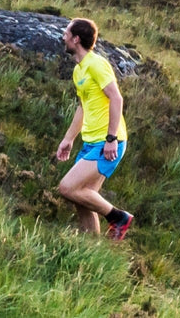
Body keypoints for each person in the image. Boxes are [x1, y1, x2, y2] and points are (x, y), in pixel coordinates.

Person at [54, 17, 134, 240]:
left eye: (66, 32)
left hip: (108, 141)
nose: (63, 36)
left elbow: (116, 99)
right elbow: (83, 106)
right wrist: (69, 138)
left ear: (76, 38)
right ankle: (91, 250)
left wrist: (111, 139)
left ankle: (119, 217)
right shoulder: (79, 71)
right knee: (83, 198)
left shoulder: (96, 64)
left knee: (67, 188)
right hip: (91, 142)